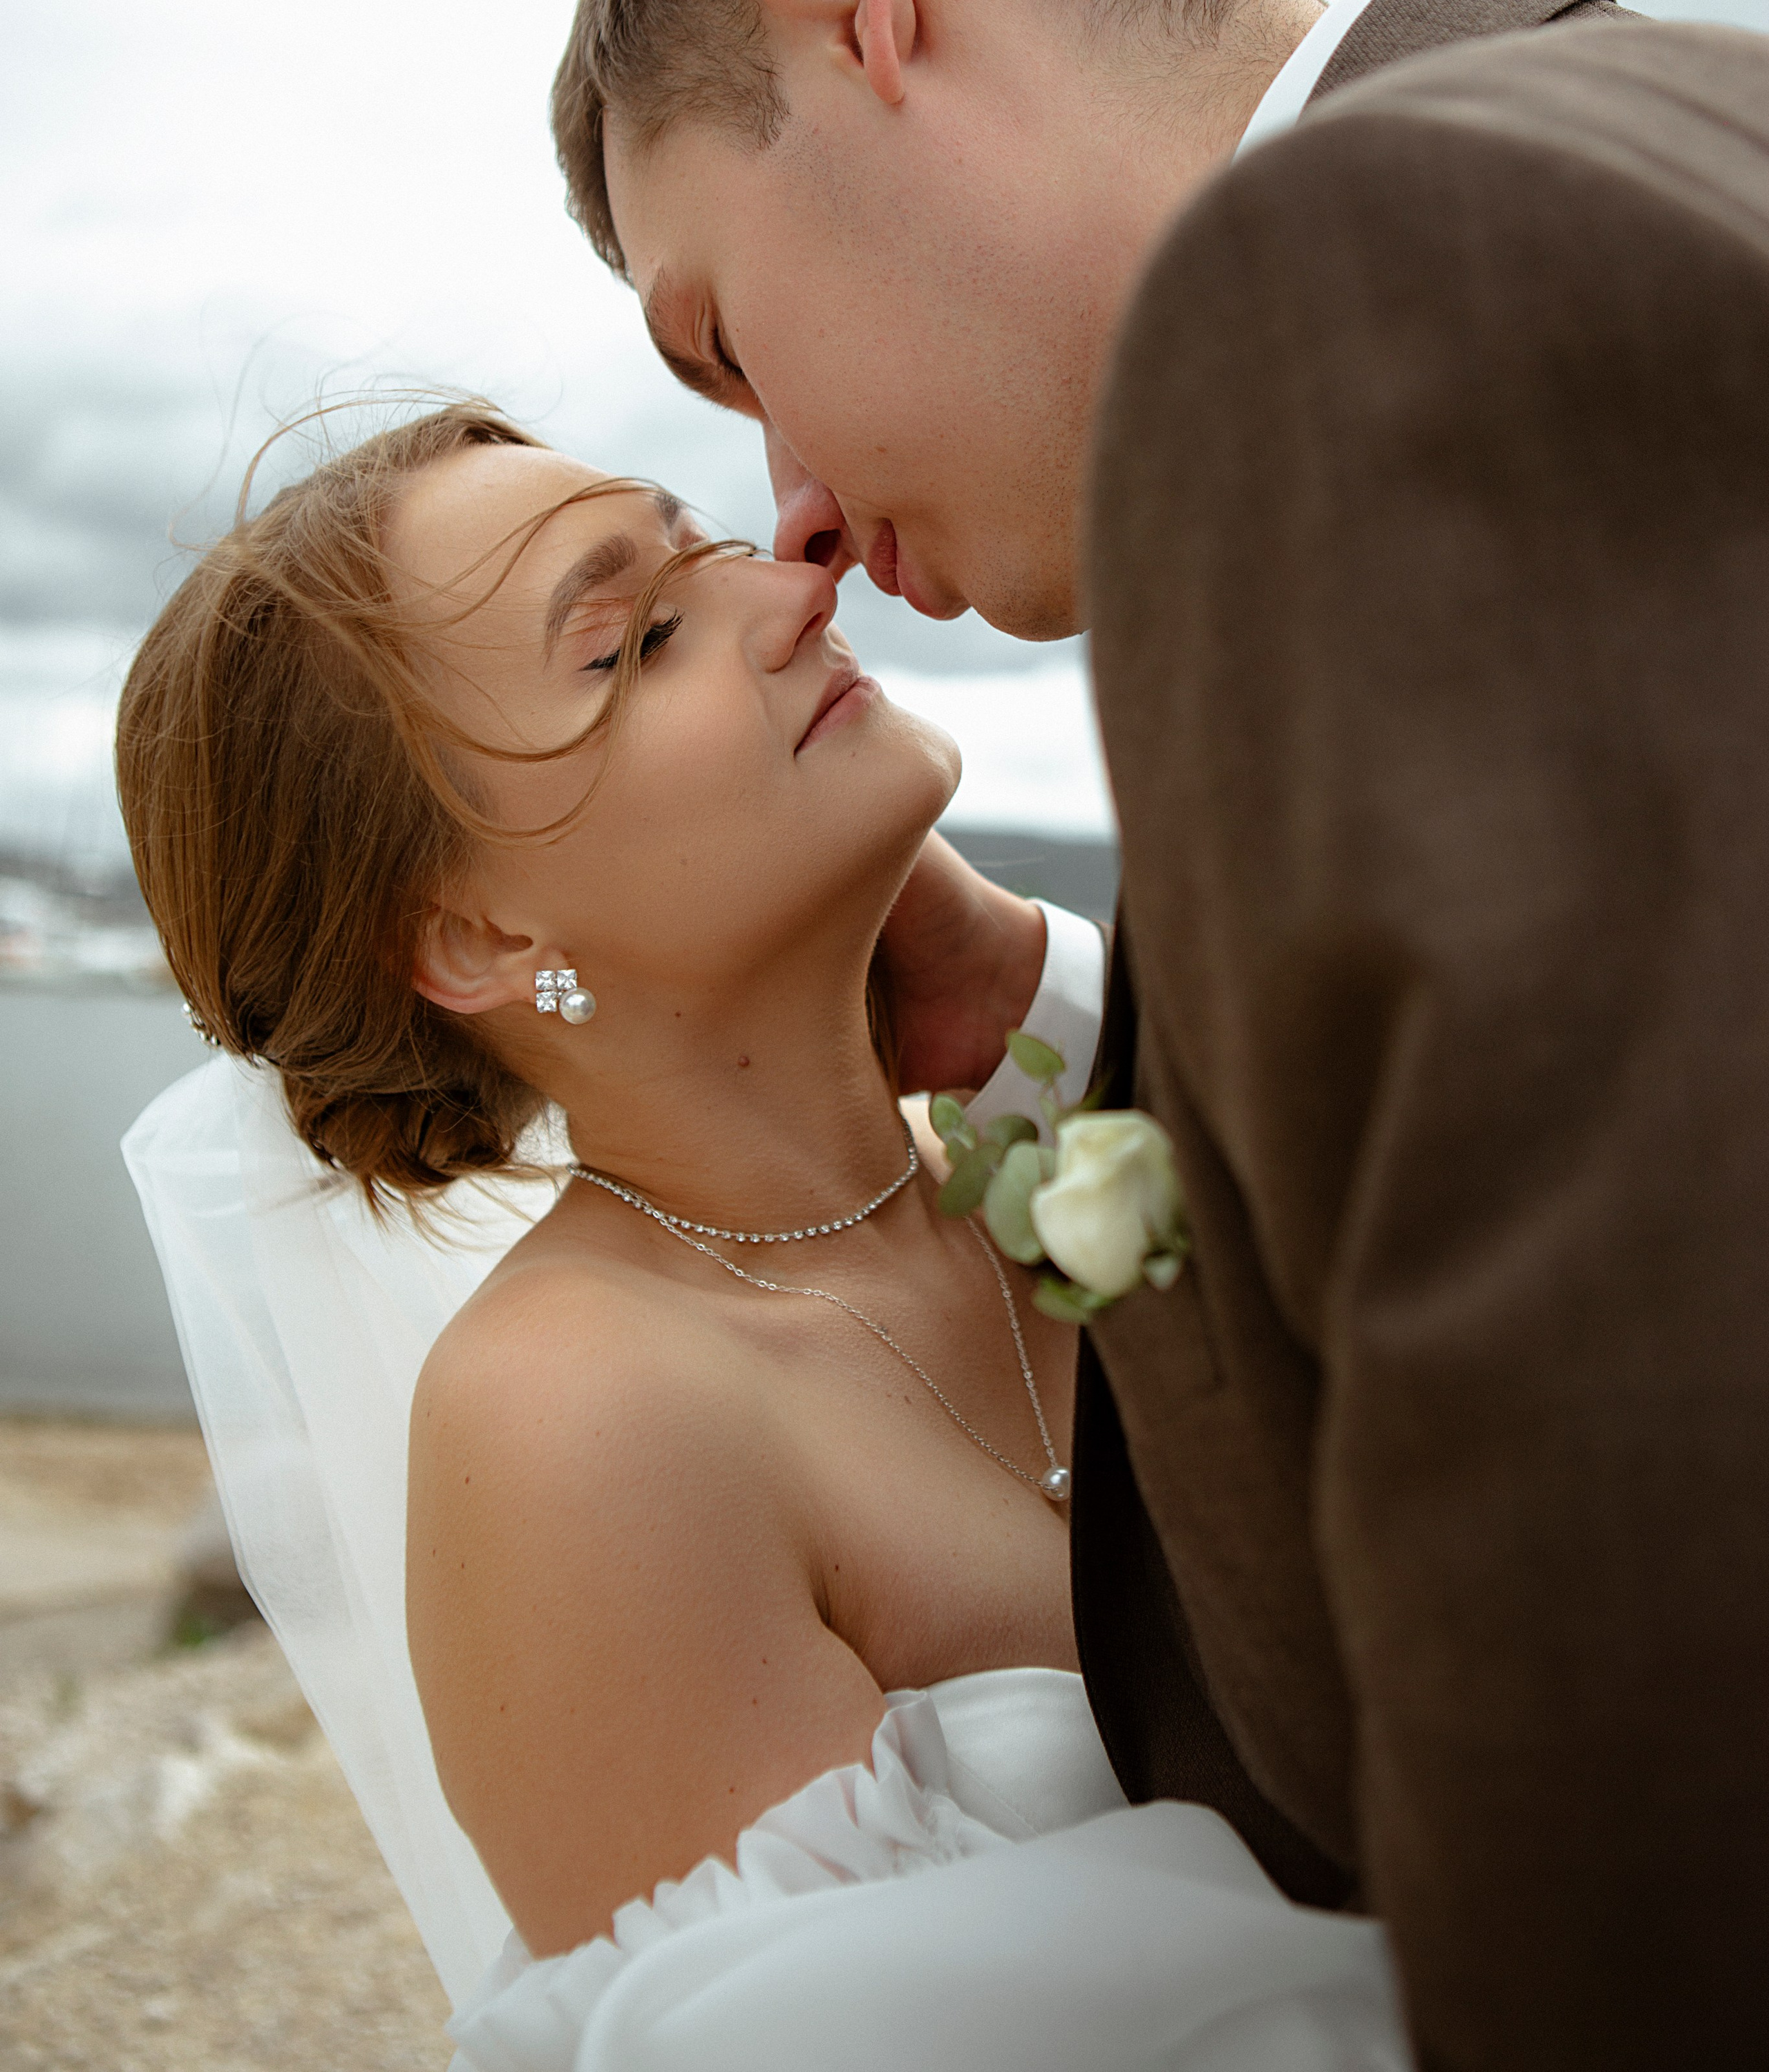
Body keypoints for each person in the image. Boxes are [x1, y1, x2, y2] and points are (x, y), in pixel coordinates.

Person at [552, 0, 1769, 2066]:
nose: (785, 501)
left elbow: (1640, 1617)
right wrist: (1043, 1040)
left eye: (725, 341)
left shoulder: (1380, 265)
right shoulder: (1637, 142)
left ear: (841, 2)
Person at [115, 403, 1406, 2069]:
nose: (795, 588)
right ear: (478, 933)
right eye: (636, 640)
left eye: (708, 544)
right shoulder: (583, 1426)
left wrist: (1028, 993)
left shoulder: (1059, 1159)